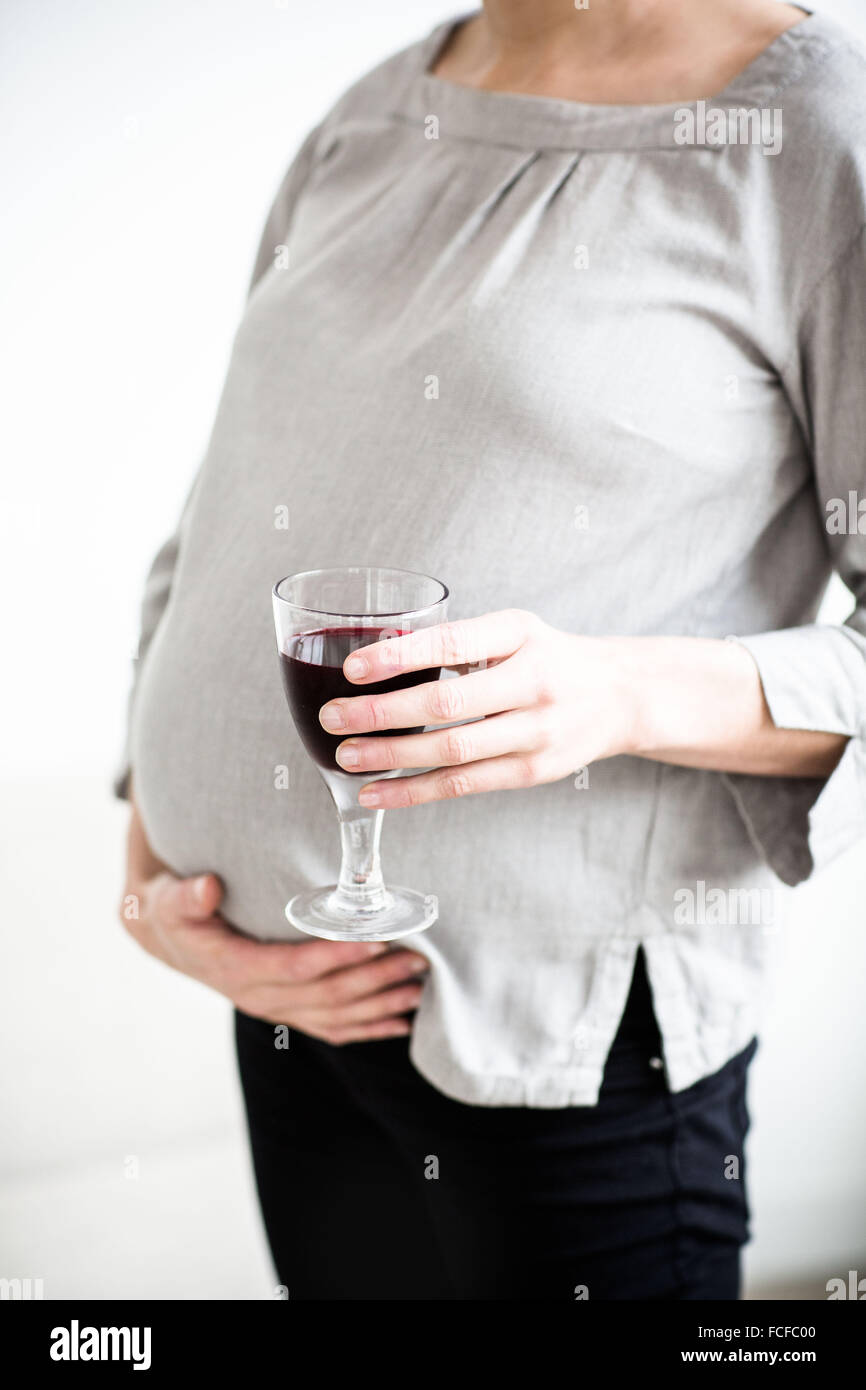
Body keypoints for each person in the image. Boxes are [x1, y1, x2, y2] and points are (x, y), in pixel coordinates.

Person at [117, 1, 866, 1300]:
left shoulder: (818, 134)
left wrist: (616, 692)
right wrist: (159, 862)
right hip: (291, 1004)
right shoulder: (371, 107)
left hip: (565, 1063)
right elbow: (225, 507)